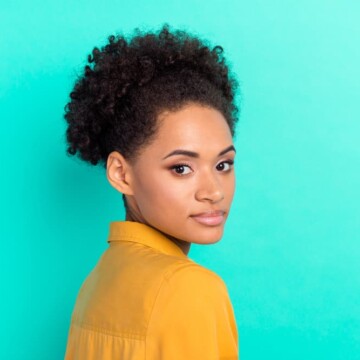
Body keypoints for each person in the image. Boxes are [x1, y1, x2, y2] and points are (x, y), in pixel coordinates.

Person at [64, 24, 240, 359]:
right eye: (181, 168)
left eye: (223, 165)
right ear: (121, 174)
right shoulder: (191, 289)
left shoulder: (98, 282)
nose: (213, 192)